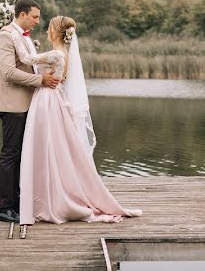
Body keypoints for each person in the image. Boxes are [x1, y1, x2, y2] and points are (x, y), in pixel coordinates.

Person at [12, 15, 142, 225]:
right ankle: (50, 192)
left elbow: (27, 60)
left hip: (47, 100)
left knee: (47, 147)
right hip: (54, 98)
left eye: (49, 28)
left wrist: (13, 32)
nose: (46, 30)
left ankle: (50, 198)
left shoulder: (56, 53)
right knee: (55, 147)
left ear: (55, 32)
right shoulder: (62, 53)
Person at [0, 0, 60, 224]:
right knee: (10, 154)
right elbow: (8, 72)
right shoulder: (4, 36)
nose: (38, 21)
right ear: (21, 14)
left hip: (26, 103)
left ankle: (17, 201)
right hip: (12, 104)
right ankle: (4, 207)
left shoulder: (25, 38)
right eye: (35, 16)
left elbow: (29, 63)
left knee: (20, 154)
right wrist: (40, 80)